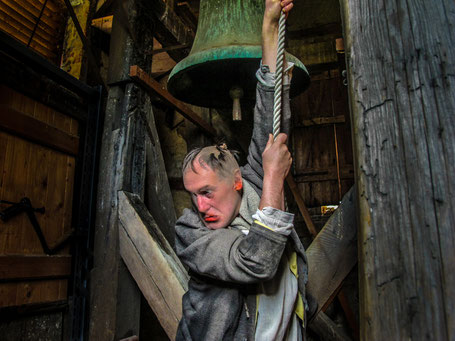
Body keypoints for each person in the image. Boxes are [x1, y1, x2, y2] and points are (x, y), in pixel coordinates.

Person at [175, 0, 309, 339]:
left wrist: (269, 28)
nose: (199, 206)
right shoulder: (191, 233)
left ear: (237, 182)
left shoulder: (252, 183)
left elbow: (270, 121)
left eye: (206, 192)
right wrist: (275, 178)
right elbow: (256, 262)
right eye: (193, 196)